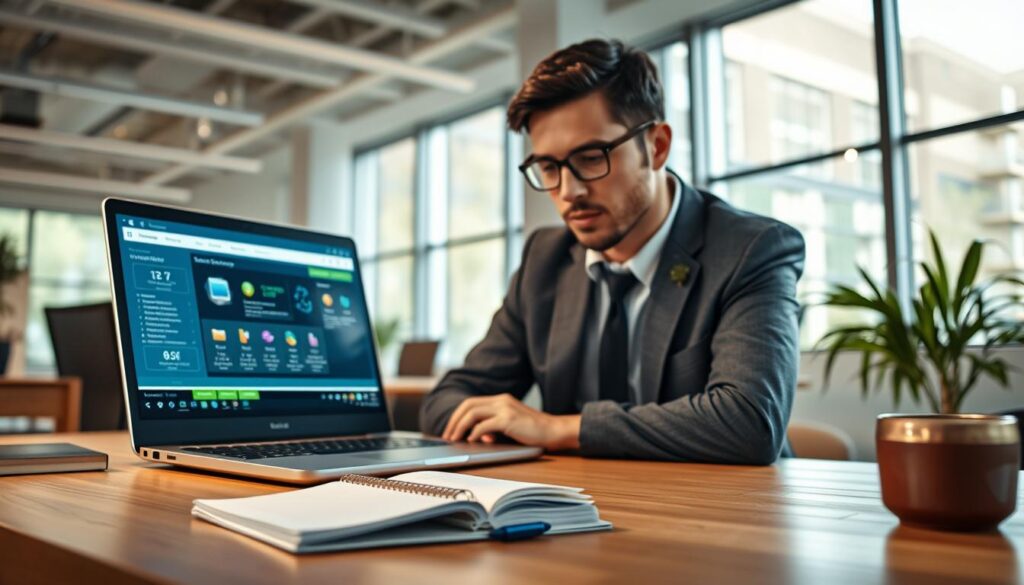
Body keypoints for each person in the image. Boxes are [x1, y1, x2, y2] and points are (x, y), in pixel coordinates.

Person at [419, 38, 805, 464]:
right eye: (548, 167)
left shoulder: (750, 250)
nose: (569, 192)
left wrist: (560, 428)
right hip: (579, 509)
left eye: (590, 157)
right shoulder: (544, 260)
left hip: (725, 514)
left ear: (656, 147)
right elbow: (446, 401)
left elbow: (749, 423)